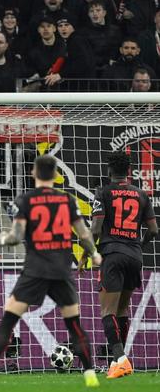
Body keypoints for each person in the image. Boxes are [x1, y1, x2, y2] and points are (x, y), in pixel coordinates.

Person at [0, 155, 102, 388]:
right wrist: (94, 254)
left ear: (33, 173)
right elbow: (84, 233)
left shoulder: (25, 200)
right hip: (61, 270)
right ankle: (89, 373)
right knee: (74, 323)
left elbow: (16, 236)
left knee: (8, 320)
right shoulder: (67, 200)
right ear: (55, 175)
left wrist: (2, 239)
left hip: (35, 270)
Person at [84, 152, 158, 379]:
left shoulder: (103, 192)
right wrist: (137, 246)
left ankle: (121, 360)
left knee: (108, 311)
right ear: (129, 171)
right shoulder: (142, 194)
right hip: (134, 256)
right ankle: (119, 361)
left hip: (112, 254)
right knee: (122, 310)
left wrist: (88, 253)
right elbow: (153, 230)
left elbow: (96, 229)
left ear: (109, 171)